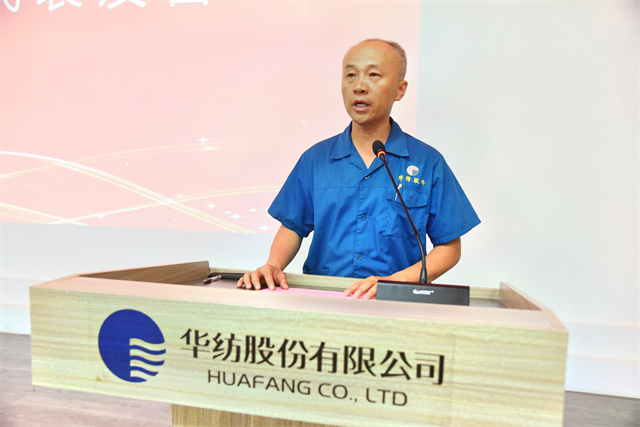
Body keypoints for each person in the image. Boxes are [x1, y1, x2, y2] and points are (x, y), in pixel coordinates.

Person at [237, 39, 480, 298]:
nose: (359, 86)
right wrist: (273, 265)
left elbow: (449, 247)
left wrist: (396, 282)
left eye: (373, 75)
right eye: (351, 75)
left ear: (400, 89)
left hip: (394, 303)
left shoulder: (427, 162)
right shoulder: (315, 159)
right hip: (324, 301)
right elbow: (292, 227)